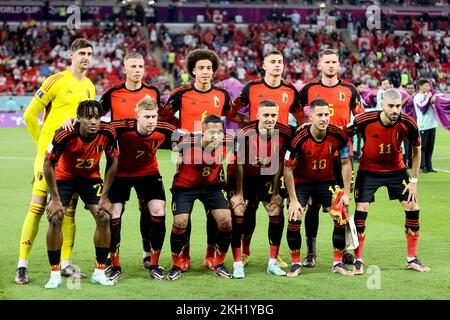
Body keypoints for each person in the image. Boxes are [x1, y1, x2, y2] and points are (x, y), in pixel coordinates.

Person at [15, 38, 95, 284]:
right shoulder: (55, 81)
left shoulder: (90, 86)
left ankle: (66, 264)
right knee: (38, 209)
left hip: (72, 160)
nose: (86, 58)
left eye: (90, 54)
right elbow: (29, 115)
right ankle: (22, 265)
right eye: (82, 53)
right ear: (71, 55)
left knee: (67, 212)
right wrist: (43, 148)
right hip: (49, 158)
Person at [162, 49, 245, 272]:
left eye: (209, 68)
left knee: (214, 214)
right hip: (188, 159)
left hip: (214, 163)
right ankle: (184, 256)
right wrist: (179, 135)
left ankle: (211, 255)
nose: (205, 72)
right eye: (201, 68)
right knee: (183, 217)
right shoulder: (180, 94)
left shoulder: (222, 94)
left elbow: (233, 115)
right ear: (192, 71)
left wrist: (252, 122)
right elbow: (164, 118)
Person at [346, 88, 431, 274]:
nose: (395, 110)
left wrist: (414, 181)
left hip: (396, 171)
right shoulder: (365, 120)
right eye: (391, 106)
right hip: (369, 171)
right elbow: (342, 135)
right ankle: (358, 259)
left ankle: (412, 259)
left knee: (413, 208)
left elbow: (417, 150)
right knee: (361, 210)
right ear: (382, 105)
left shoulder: (408, 123)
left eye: (398, 106)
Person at [232, 49, 303, 268]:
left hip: (279, 159)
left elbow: (301, 120)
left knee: (276, 205)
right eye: (272, 61)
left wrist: (292, 140)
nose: (277, 65)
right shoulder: (252, 88)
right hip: (253, 155)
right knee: (249, 207)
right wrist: (248, 123)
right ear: (264, 65)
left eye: (280, 62)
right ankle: (245, 251)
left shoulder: (290, 90)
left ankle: (276, 254)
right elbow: (232, 112)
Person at [43, 100, 119, 288]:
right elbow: (48, 165)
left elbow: (113, 162)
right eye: (89, 117)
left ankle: (100, 272)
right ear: (79, 119)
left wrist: (105, 196)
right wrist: (54, 198)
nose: (94, 121)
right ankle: (54, 274)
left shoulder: (108, 132)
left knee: (104, 216)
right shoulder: (64, 134)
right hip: (63, 178)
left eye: (97, 117)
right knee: (55, 217)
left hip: (90, 178)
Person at [299, 48, 364, 267]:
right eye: (326, 62)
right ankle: (311, 252)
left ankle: (345, 250)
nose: (331, 65)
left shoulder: (349, 89)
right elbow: (299, 115)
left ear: (339, 64)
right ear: (319, 65)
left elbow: (361, 117)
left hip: (342, 157)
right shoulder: (308, 90)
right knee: (312, 204)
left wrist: (350, 131)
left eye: (334, 62)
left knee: (343, 203)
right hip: (315, 156)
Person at [108, 95, 176, 282]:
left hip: (149, 173)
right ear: (137, 116)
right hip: (121, 174)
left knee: (158, 211)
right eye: (147, 117)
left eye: (154, 117)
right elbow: (96, 128)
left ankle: (153, 264)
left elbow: (187, 137)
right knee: (114, 213)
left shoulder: (165, 129)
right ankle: (114, 265)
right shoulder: (120, 127)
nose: (151, 121)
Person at [284, 99, 353, 277]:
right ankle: (296, 263)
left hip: (325, 181)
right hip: (301, 182)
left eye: (326, 115)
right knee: (295, 216)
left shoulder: (338, 134)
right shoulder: (299, 137)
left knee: (340, 214)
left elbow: (346, 163)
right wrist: (292, 200)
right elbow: (288, 168)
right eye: (320, 115)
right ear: (310, 117)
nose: (324, 119)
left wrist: (346, 193)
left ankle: (337, 263)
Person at [230, 100, 292, 278]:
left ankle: (273, 262)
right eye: (266, 115)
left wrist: (274, 192)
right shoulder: (244, 133)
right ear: (257, 115)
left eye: (273, 115)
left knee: (275, 209)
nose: (270, 119)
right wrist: (240, 193)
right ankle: (238, 261)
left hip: (267, 178)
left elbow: (281, 161)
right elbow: (239, 164)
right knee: (241, 210)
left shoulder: (285, 133)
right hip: (246, 177)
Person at [167, 115, 234, 281]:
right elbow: (173, 144)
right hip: (185, 187)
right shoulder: (186, 142)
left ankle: (219, 263)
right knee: (180, 221)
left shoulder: (227, 141)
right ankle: (176, 264)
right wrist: (202, 143)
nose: (216, 135)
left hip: (212, 187)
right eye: (211, 131)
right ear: (202, 130)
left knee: (226, 220)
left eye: (219, 131)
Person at [413, 79, 438, 173]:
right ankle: (422, 167)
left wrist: (433, 97)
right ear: (420, 87)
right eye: (426, 86)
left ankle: (429, 166)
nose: (428, 87)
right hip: (424, 125)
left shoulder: (430, 95)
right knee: (423, 147)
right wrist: (428, 98)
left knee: (430, 146)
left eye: (429, 86)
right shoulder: (417, 97)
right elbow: (421, 106)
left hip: (432, 124)